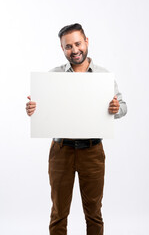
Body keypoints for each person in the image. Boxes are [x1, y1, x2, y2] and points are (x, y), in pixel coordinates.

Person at [26, 23, 127, 235]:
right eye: (68, 46)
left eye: (78, 44)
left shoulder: (103, 75)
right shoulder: (52, 76)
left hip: (92, 151)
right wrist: (33, 109)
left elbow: (123, 107)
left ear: (86, 42)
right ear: (62, 49)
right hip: (61, 150)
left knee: (94, 213)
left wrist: (115, 108)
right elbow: (42, 109)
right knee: (59, 213)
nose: (75, 50)